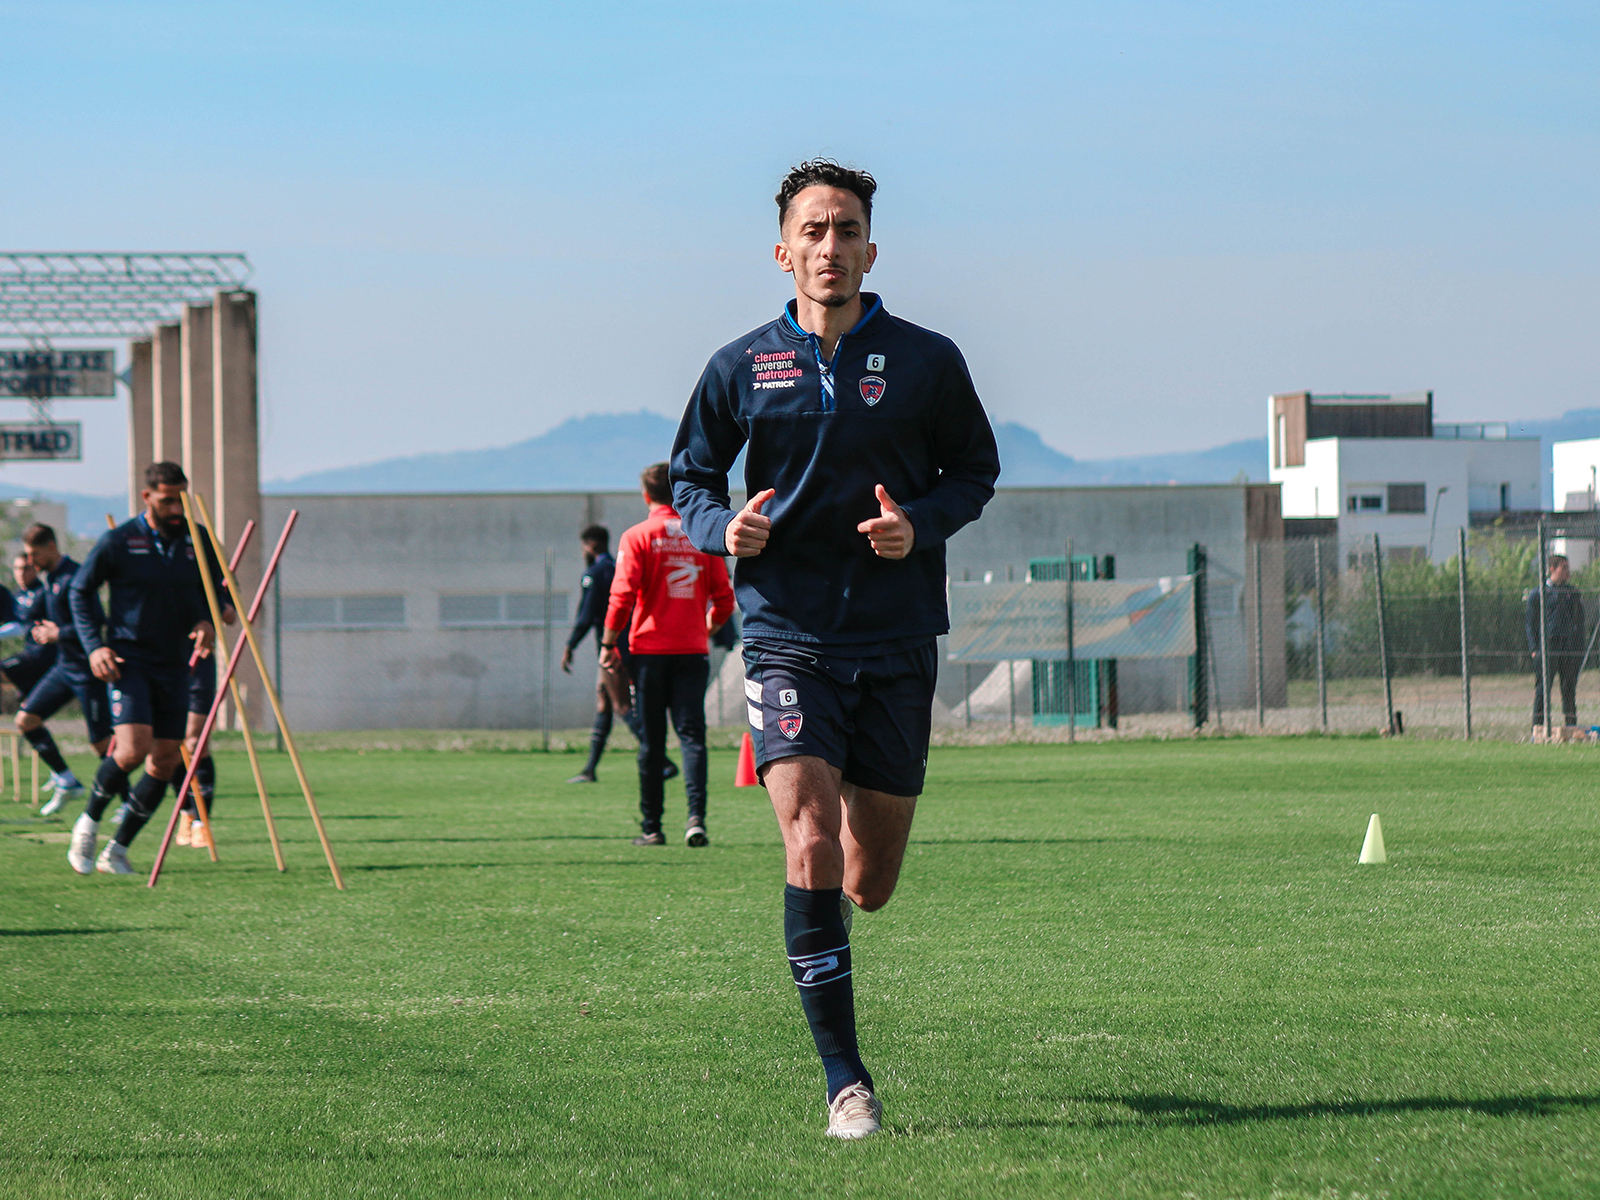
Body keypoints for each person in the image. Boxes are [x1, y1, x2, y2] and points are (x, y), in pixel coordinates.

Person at [669, 160, 1000, 1137]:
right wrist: (717, 527)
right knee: (807, 840)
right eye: (811, 231)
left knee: (869, 881)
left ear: (869, 248)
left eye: (845, 229)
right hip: (785, 633)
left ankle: (842, 919)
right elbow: (690, 476)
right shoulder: (740, 365)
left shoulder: (928, 360)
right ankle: (844, 1081)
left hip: (896, 635)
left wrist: (920, 525)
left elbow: (973, 470)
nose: (829, 246)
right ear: (783, 251)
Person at [65, 462, 231, 875]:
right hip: (128, 658)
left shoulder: (198, 538)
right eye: (168, 500)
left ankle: (117, 850)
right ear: (147, 497)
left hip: (176, 661)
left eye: (181, 499)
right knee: (133, 749)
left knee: (165, 762)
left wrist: (209, 619)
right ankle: (88, 822)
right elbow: (80, 591)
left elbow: (217, 590)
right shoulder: (120, 541)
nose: (177, 509)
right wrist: (94, 647)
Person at [600, 463, 734, 847]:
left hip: (649, 652)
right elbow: (724, 599)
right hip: (692, 652)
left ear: (646, 496)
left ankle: (652, 827)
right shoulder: (699, 536)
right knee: (692, 737)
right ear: (676, 493)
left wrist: (609, 643)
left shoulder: (638, 536)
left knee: (652, 742)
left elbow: (622, 595)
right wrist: (704, 628)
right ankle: (696, 820)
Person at [559, 524, 677, 784]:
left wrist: (570, 645)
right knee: (605, 703)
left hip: (612, 648)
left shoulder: (595, 572)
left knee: (622, 705)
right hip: (633, 641)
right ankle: (590, 769)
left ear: (590, 544)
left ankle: (663, 762)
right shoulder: (621, 566)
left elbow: (587, 614)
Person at [13, 524, 112, 817]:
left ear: (51, 547)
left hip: (87, 669)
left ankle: (129, 799)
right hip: (63, 667)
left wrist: (60, 634)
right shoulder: (51, 578)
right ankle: (67, 780)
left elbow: (96, 623)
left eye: (34, 554)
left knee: (101, 743)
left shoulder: (76, 576)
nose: (30, 562)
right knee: (26, 719)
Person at [1527, 552, 1586, 730]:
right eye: (1564, 568)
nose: (1568, 572)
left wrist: (1579, 647)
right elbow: (1530, 623)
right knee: (1543, 688)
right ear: (1552, 569)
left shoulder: (1573, 593)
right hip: (1547, 647)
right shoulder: (1538, 594)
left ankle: (1571, 727)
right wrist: (1534, 649)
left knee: (1568, 688)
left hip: (1568, 647)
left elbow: (1580, 621)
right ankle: (1538, 727)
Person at [174, 655, 220, 848]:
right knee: (169, 748)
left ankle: (201, 822)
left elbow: (229, 622)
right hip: (159, 660)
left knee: (195, 744)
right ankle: (187, 812)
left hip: (198, 661)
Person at [3, 550, 55, 704]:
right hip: (29, 653)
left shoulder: (43, 593)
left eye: (25, 568)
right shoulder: (17, 596)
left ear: (35, 569)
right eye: (17, 568)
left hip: (43, 655)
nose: (21, 573)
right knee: (27, 714)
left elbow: (20, 626)